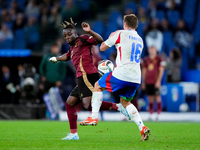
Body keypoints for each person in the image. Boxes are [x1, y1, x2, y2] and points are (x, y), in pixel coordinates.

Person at [49, 18, 130, 140]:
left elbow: (100, 40)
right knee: (69, 103)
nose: (67, 37)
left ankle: (118, 107)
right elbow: (67, 56)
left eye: (69, 34)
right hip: (82, 77)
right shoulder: (72, 47)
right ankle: (73, 134)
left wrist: (89, 31)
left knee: (89, 105)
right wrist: (56, 58)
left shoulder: (83, 39)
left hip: (88, 75)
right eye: (65, 35)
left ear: (76, 33)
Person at [79, 14, 150, 141]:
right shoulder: (140, 39)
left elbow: (102, 47)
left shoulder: (120, 33)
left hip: (123, 72)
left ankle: (94, 117)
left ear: (125, 24)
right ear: (136, 25)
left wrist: (112, 37)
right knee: (126, 102)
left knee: (97, 86)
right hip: (136, 77)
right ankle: (142, 128)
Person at [141, 46, 165, 121]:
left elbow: (161, 71)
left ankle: (159, 113)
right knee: (150, 98)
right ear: (148, 50)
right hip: (148, 81)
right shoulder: (146, 60)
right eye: (150, 49)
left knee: (157, 97)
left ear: (156, 50)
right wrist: (143, 82)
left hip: (155, 82)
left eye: (153, 49)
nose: (151, 51)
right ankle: (151, 113)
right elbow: (144, 71)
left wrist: (158, 81)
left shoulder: (159, 59)